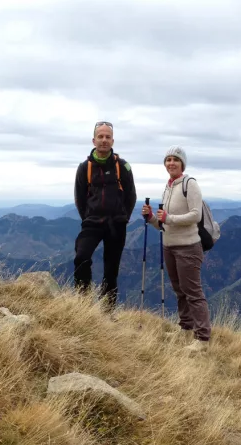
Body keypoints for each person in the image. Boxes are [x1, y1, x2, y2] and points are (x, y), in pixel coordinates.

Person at [142, 146, 211, 352]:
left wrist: (168, 218)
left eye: (176, 160)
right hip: (169, 246)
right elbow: (164, 224)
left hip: (188, 246)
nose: (171, 163)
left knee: (192, 292)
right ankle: (186, 327)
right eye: (168, 159)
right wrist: (151, 218)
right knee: (180, 290)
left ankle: (202, 338)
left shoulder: (190, 184)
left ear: (182, 164)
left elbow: (196, 215)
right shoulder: (169, 186)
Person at [73, 121, 136, 312]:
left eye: (108, 137)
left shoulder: (122, 166)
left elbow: (131, 196)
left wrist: (123, 217)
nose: (104, 140)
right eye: (100, 136)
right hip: (92, 223)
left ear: (113, 141)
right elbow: (79, 198)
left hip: (116, 224)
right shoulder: (85, 167)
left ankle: (107, 311)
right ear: (93, 141)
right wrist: (87, 217)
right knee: (81, 257)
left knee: (111, 270)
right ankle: (83, 303)